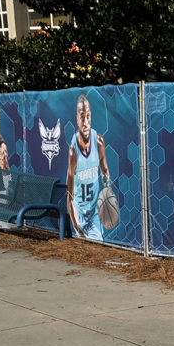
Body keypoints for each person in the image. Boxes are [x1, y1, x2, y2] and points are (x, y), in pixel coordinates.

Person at [66, 93, 110, 239]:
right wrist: (78, 228)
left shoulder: (98, 141)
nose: (85, 122)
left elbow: (104, 168)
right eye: (82, 117)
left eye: (88, 116)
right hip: (81, 214)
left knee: (102, 243)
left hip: (95, 211)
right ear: (77, 120)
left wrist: (107, 184)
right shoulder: (73, 152)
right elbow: (70, 196)